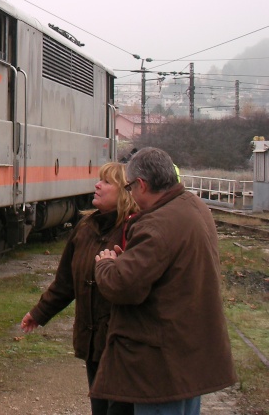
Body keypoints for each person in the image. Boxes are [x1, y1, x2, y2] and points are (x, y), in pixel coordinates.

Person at [92, 147, 236, 415]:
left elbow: (122, 286)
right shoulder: (194, 206)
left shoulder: (157, 225)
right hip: (189, 354)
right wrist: (132, 261)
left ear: (142, 185)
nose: (130, 193)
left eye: (130, 187)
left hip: (161, 364)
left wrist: (107, 264)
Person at [20, 162, 136, 415]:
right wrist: (39, 313)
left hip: (122, 344)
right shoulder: (85, 228)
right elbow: (65, 282)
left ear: (125, 192)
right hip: (93, 342)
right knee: (100, 406)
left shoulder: (135, 229)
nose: (97, 185)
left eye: (106, 182)